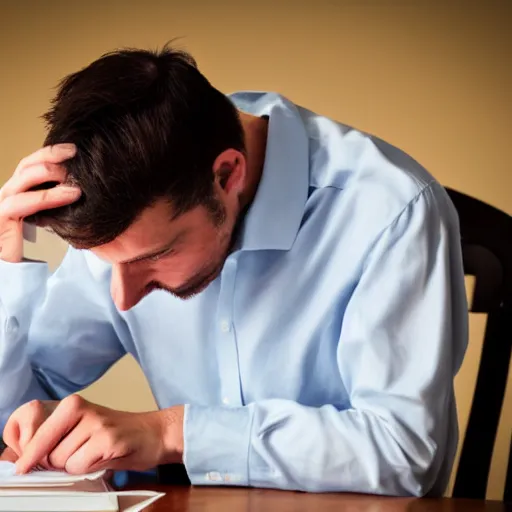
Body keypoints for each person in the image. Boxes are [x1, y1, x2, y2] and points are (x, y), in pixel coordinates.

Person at [0, 45, 468, 496]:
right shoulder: (126, 210)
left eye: (154, 255)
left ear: (227, 175)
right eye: (108, 265)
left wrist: (171, 432)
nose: (122, 300)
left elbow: (404, 451)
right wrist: (3, 267)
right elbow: (20, 408)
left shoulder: (391, 209)